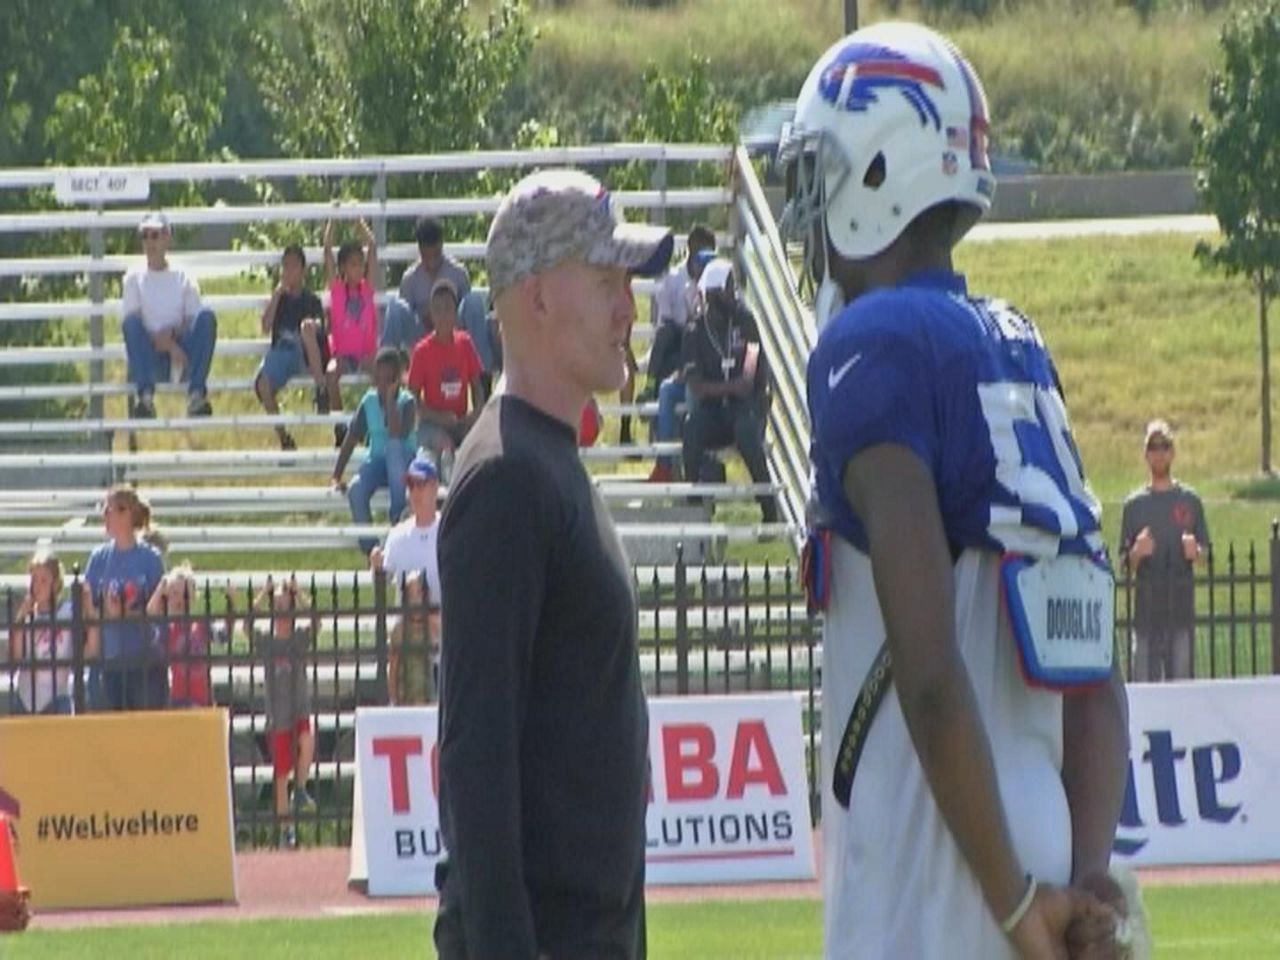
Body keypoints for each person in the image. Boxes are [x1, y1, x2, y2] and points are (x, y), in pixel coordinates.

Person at [781, 23, 1130, 959]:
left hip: (942, 875)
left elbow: (930, 678)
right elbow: (1097, 675)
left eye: (821, 172)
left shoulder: (874, 346)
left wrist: (1016, 909)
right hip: (1041, 855)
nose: (810, 212)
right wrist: (1085, 883)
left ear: (881, 171)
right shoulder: (1017, 346)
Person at [433, 168, 672, 959]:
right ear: (535, 297)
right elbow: (477, 760)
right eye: (606, 280)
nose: (628, 308)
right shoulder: (508, 478)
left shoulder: (543, 464)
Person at [678, 259, 778, 522]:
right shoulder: (694, 330)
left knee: (745, 428)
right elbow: (697, 388)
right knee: (691, 426)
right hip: (714, 410)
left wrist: (740, 388)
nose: (734, 292)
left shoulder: (745, 321)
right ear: (712, 292)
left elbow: (751, 373)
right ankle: (693, 505)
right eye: (728, 286)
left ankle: (769, 508)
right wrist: (731, 387)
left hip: (745, 408)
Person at [1119, 419, 1210, 681]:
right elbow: (1124, 566)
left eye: (1164, 445)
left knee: (1182, 694)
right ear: (1146, 454)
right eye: (1153, 446)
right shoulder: (1134, 506)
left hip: (1180, 615)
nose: (1159, 452)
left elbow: (1207, 556)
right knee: (1144, 694)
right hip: (1146, 618)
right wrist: (1136, 552)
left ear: (1173, 452)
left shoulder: (1190, 501)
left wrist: (1196, 553)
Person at [121, 212, 218, 418]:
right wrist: (167, 345)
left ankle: (196, 395)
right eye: (145, 236)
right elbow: (133, 324)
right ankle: (145, 398)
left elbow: (193, 318)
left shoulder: (183, 276)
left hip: (181, 352)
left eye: (154, 235)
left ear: (167, 238)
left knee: (207, 317)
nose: (149, 242)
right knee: (130, 324)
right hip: (150, 356)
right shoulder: (133, 277)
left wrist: (174, 343)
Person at [83, 486, 168, 711]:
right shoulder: (98, 558)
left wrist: (126, 614)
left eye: (110, 510)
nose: (105, 517)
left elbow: (159, 611)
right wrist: (106, 613)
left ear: (127, 513)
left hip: (143, 661)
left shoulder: (150, 559)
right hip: (108, 662)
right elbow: (88, 606)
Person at [370, 451, 443, 705]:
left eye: (420, 484)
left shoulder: (447, 532)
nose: (415, 492)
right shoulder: (398, 536)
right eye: (410, 485)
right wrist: (376, 568)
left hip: (441, 646)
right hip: (408, 647)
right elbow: (382, 585)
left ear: (434, 486)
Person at [250, 577, 317, 849]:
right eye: (277, 606)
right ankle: (285, 829)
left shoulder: (299, 638)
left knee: (307, 739)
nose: (282, 612)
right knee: (280, 776)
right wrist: (261, 595)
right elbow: (245, 624)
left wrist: (299, 593)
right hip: (277, 714)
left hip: (299, 706)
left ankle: (300, 788)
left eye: (285, 606)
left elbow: (317, 621)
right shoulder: (266, 641)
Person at [333, 347, 418, 556]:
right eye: (378, 377)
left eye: (387, 378)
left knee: (393, 448)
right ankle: (372, 552)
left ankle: (398, 515)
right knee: (355, 489)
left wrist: (390, 399)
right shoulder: (368, 401)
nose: (381, 383)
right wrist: (337, 474)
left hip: (403, 463)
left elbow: (396, 434)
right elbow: (352, 437)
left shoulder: (407, 402)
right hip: (377, 462)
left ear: (397, 379)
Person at [406, 279, 486, 479]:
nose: (443, 315)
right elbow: (412, 399)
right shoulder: (422, 351)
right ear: (431, 314)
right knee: (444, 451)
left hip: (459, 422)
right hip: (432, 424)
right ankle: (443, 500)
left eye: (448, 308)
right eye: (438, 309)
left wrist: (475, 412)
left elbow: (477, 385)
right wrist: (438, 417)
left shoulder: (465, 343)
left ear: (456, 312)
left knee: (482, 447)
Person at [255, 244, 329, 451]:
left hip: (307, 353)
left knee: (306, 328)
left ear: (303, 270)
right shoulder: (279, 299)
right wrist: (276, 296)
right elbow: (265, 327)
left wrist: (312, 326)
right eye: (285, 266)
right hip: (284, 352)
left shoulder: (311, 300)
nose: (288, 271)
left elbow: (322, 328)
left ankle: (321, 390)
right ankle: (283, 437)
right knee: (262, 384)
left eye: (293, 266)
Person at [8, 550, 88, 715]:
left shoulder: (68, 613)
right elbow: (14, 657)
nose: (37, 586)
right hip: (26, 698)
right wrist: (21, 617)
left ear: (56, 583)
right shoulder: (28, 616)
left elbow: (85, 650)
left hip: (56, 698)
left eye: (43, 580)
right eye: (34, 580)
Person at [324, 217, 380, 444]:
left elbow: (373, 247)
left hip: (366, 354)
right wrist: (333, 222)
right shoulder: (337, 290)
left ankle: (373, 426)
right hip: (343, 354)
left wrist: (359, 224)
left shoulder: (367, 289)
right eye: (353, 263)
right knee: (331, 373)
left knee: (381, 374)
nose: (359, 268)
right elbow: (327, 251)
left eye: (361, 263)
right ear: (344, 268)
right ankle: (340, 427)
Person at [146, 562, 231, 709]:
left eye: (184, 594)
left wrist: (231, 603)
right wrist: (161, 589)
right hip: (178, 698)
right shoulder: (165, 627)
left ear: (192, 597)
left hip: (203, 697)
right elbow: (151, 614)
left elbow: (223, 636)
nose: (179, 599)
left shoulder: (201, 625)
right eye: (174, 593)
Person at [382, 216, 472, 353]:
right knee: (395, 306)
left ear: (441, 245)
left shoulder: (458, 273)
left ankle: (482, 368)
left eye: (435, 256)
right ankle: (386, 364)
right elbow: (406, 318)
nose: (431, 263)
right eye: (426, 257)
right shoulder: (410, 278)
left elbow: (466, 311)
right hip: (422, 337)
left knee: (474, 301)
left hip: (453, 333)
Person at [649, 226, 716, 393]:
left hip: (705, 337)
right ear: (690, 249)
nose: (702, 261)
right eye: (699, 255)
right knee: (666, 333)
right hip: (678, 336)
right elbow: (665, 319)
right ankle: (650, 386)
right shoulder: (673, 279)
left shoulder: (716, 280)